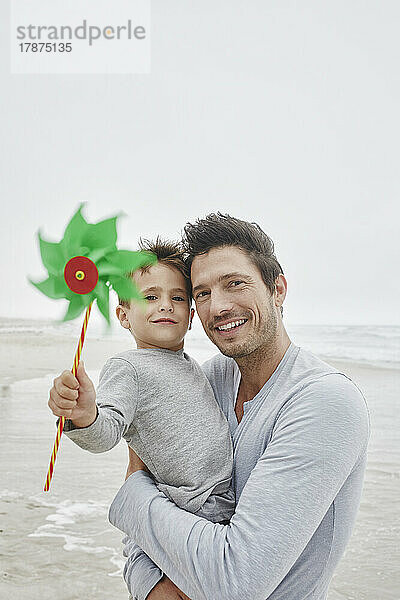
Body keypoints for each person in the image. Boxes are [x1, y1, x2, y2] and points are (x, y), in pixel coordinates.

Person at [109, 213, 370, 600]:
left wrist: (131, 490)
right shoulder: (205, 380)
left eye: (235, 284)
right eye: (202, 293)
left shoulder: (324, 401)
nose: (219, 307)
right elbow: (145, 533)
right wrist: (152, 587)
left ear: (277, 289)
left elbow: (237, 583)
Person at [47, 238, 236, 596]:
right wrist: (85, 414)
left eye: (178, 297)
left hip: (224, 509)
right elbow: (107, 433)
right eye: (150, 297)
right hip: (188, 510)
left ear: (191, 316)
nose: (166, 305)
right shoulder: (128, 367)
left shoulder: (193, 367)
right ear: (123, 315)